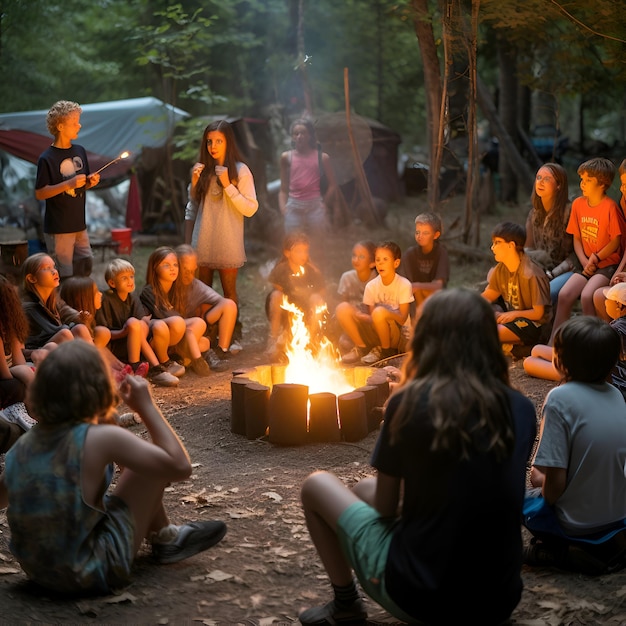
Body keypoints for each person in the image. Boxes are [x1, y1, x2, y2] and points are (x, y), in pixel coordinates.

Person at [298, 288, 537, 625]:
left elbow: (384, 506)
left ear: (426, 340)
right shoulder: (523, 409)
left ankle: (345, 604)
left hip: (422, 598)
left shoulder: (410, 402)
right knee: (365, 489)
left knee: (316, 485)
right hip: (498, 599)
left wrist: (397, 414)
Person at [0, 341, 227, 595]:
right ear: (100, 386)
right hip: (87, 571)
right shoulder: (99, 438)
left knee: (117, 479)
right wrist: (146, 407)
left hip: (39, 573)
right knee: (148, 466)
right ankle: (167, 540)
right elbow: (178, 466)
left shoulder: (23, 445)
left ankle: (166, 536)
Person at [523, 315, 626, 575]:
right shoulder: (616, 395)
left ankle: (560, 552)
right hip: (618, 518)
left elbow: (552, 487)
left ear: (559, 362)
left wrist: (539, 479)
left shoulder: (559, 398)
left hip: (577, 524)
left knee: (523, 497)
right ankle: (606, 546)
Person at [184, 119, 258, 349]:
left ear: (228, 142)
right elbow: (193, 207)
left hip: (228, 240)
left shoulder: (241, 171)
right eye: (209, 142)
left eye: (218, 141)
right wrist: (194, 184)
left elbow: (250, 208)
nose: (213, 146)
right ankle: (206, 335)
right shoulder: (202, 170)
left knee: (228, 292)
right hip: (203, 239)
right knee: (202, 292)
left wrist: (228, 185)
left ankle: (232, 335)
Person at [549, 157, 621, 343]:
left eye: (588, 180)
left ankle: (592, 343)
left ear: (602, 183)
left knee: (588, 295)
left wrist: (595, 258)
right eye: (582, 179)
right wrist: (583, 261)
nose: (582, 183)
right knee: (565, 294)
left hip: (606, 264)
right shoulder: (578, 204)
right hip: (586, 263)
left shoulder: (610, 207)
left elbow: (616, 241)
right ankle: (555, 342)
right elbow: (577, 237)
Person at [34, 100, 100, 280]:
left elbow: (80, 184)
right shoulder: (47, 158)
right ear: (61, 126)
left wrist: (89, 182)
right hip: (59, 228)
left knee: (85, 268)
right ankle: (64, 308)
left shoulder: (79, 150)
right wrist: (68, 184)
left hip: (79, 225)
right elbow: (40, 193)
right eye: (75, 122)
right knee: (64, 277)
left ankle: (81, 307)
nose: (79, 125)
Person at [96, 258, 179, 387]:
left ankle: (152, 368)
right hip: (114, 346)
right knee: (134, 323)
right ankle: (143, 367)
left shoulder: (133, 298)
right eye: (124, 278)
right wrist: (125, 331)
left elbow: (141, 326)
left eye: (131, 276)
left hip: (132, 343)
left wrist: (136, 327)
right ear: (112, 283)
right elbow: (104, 333)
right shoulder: (105, 299)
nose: (130, 281)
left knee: (140, 324)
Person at [140, 247, 210, 378]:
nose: (172, 268)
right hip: (155, 337)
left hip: (174, 336)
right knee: (175, 323)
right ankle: (165, 361)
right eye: (166, 265)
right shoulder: (149, 291)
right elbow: (165, 317)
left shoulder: (175, 289)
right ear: (154, 268)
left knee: (201, 330)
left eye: (175, 265)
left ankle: (180, 357)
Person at [340, 241, 413, 365]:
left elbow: (402, 318)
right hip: (378, 331)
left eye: (385, 259)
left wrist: (385, 313)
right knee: (343, 308)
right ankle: (362, 348)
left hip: (399, 336)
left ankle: (386, 353)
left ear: (396, 263)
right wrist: (361, 316)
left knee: (379, 312)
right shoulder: (371, 286)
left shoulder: (404, 284)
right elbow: (372, 318)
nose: (380, 263)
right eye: (378, 259)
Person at [481, 222, 552, 350]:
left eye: (497, 242)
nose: (493, 248)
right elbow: (489, 295)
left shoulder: (532, 273)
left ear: (511, 245)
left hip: (533, 325)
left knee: (486, 331)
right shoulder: (501, 269)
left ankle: (516, 347)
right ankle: (510, 346)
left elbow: (538, 314)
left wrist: (514, 315)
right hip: (510, 317)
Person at [175, 244, 238, 370]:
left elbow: (221, 302)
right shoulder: (167, 285)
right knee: (200, 342)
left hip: (193, 330)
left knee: (229, 305)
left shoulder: (195, 286)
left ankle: (221, 351)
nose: (189, 276)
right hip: (174, 332)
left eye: (192, 271)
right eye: (185, 271)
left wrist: (205, 311)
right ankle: (184, 358)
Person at [265, 232, 326, 360]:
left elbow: (321, 291)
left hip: (306, 313)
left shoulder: (311, 270)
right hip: (284, 313)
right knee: (276, 295)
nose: (303, 255)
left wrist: (310, 298)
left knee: (317, 299)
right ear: (287, 253)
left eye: (305, 251)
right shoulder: (281, 269)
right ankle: (274, 338)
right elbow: (277, 290)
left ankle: (313, 339)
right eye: (298, 251)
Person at [524, 163, 577, 306]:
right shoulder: (534, 214)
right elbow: (528, 248)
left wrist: (553, 274)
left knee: (550, 292)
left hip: (570, 269)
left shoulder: (570, 212)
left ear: (559, 185)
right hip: (543, 268)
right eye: (538, 177)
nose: (540, 182)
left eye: (547, 179)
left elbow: (577, 254)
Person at [20, 252, 94, 353]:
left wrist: (79, 316)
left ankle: (96, 365)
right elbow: (52, 331)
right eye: (46, 268)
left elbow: (66, 311)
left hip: (52, 340)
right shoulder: (28, 306)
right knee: (65, 334)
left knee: (80, 328)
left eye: (54, 267)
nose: (54, 271)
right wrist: (70, 326)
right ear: (32, 278)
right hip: (36, 350)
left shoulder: (53, 298)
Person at [278, 118, 337, 241]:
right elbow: (283, 188)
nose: (300, 136)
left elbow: (333, 185)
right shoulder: (286, 157)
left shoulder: (322, 157)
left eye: (303, 133)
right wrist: (283, 208)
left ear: (310, 135)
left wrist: (324, 204)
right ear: (293, 137)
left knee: (319, 243)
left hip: (315, 206)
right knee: (293, 242)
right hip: (293, 207)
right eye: (296, 133)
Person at [0, 275, 38, 438]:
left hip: (10, 376)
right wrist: (25, 373)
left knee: (33, 372)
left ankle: (42, 419)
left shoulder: (10, 328)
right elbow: (4, 374)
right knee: (19, 385)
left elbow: (19, 361)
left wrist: (28, 372)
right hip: (4, 380)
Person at [592, 159, 626, 321]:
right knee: (600, 295)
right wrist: (621, 272)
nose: (622, 189)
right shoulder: (623, 202)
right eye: (622, 184)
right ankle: (610, 342)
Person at [332, 240, 377, 355]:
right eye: (354, 255)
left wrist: (362, 315)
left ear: (372, 263)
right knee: (343, 342)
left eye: (361, 257)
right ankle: (361, 347)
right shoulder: (347, 278)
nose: (356, 260)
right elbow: (343, 305)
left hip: (371, 324)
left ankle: (373, 348)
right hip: (354, 324)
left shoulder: (376, 280)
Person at [398, 211, 449, 309]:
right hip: (413, 299)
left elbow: (439, 286)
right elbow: (403, 282)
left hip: (436, 299)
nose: (420, 236)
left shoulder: (441, 253)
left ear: (436, 235)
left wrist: (418, 285)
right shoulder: (410, 254)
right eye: (417, 232)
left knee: (421, 289)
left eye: (425, 233)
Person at [60, 276, 111, 349]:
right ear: (82, 298)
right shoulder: (75, 327)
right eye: (96, 292)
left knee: (102, 332)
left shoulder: (91, 319)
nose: (101, 294)